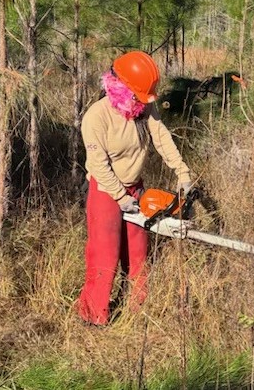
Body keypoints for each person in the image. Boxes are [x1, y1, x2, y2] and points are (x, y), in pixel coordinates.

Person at [77, 50, 193, 325]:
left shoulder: (144, 106)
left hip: (135, 188)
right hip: (105, 190)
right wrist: (119, 197)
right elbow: (99, 163)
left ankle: (138, 311)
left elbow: (161, 138)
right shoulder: (97, 116)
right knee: (104, 255)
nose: (142, 103)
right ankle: (94, 316)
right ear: (121, 86)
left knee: (139, 252)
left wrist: (182, 172)